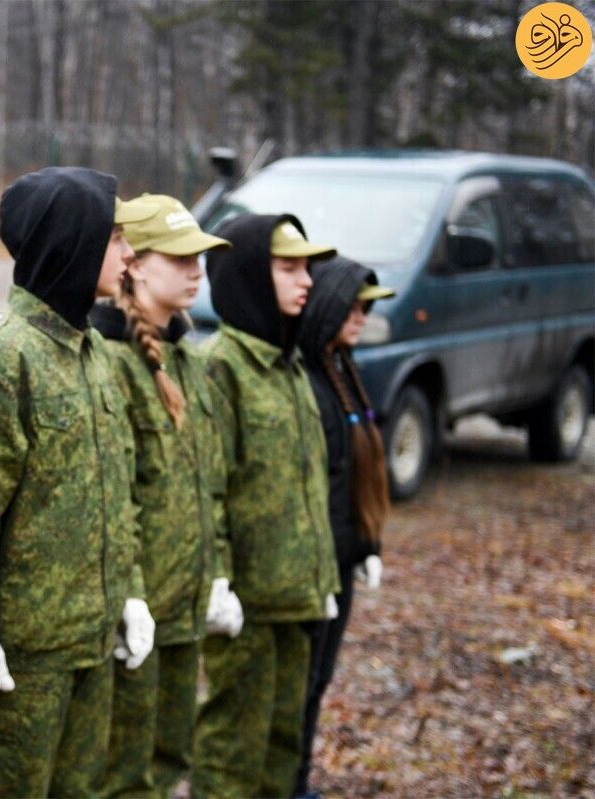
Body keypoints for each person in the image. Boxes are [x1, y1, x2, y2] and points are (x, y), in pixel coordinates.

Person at [0, 166, 155, 798]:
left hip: (91, 640)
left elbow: (116, 491)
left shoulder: (93, 350)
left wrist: (126, 591)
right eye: (115, 238)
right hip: (26, 654)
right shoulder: (3, 356)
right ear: (73, 242)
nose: (128, 254)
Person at [191, 214, 341, 799]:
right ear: (252, 274)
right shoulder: (222, 366)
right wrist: (221, 581)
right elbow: (211, 487)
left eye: (307, 267)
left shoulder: (290, 363)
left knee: (284, 743)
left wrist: (322, 572)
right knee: (234, 748)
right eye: (288, 268)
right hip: (248, 604)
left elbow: (307, 481)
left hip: (296, 596)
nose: (305, 280)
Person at [88, 194, 231, 797]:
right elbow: (115, 499)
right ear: (136, 264)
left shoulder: (190, 361)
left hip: (184, 607)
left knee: (171, 757)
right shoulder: (112, 362)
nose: (197, 270)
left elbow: (209, 485)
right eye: (180, 257)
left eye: (200, 257)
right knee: (124, 772)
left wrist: (217, 573)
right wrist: (132, 594)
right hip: (136, 612)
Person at [294, 255, 394, 799]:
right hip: (317, 566)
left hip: (343, 558)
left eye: (365, 310)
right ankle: (287, 784)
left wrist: (367, 543)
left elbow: (360, 473)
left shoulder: (344, 371)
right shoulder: (309, 381)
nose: (359, 318)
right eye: (351, 307)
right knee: (301, 685)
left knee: (320, 681)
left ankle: (299, 780)